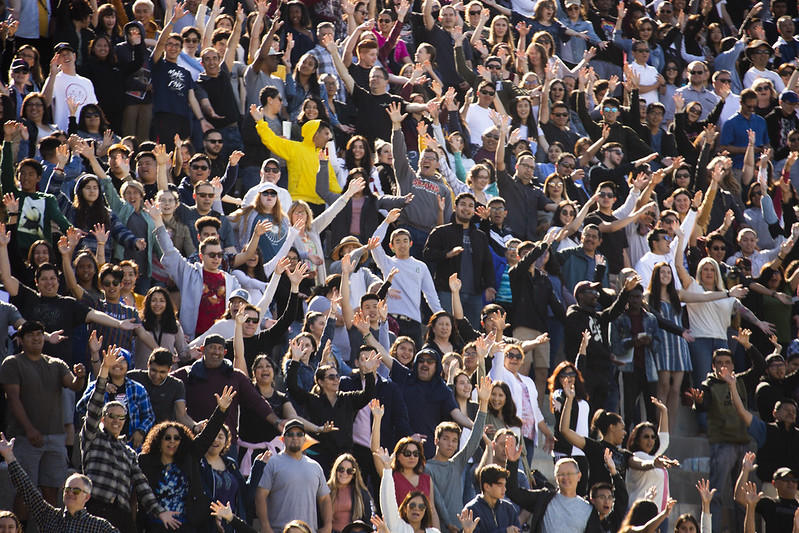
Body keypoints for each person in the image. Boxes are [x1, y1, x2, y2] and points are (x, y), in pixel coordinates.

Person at [81, 345, 180, 533]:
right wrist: (103, 371)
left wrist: (160, 512)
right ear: (103, 418)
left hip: (121, 512)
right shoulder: (92, 437)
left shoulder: (129, 453)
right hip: (94, 507)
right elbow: (92, 407)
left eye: (121, 417)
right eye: (111, 416)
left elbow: (142, 486)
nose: (116, 421)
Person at [0, 320, 86, 521]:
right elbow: (12, 398)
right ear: (20, 340)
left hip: (56, 439)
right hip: (25, 438)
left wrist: (80, 376)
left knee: (52, 491)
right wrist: (30, 429)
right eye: (30, 335)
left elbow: (74, 385)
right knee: (25, 490)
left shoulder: (56, 364)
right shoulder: (12, 363)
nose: (36, 338)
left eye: (39, 333)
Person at [688, 329, 767, 533]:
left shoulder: (741, 380)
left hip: (744, 445)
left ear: (733, 365)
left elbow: (761, 366)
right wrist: (698, 402)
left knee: (743, 498)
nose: (724, 366)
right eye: (720, 363)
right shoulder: (709, 385)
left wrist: (747, 345)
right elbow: (703, 404)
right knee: (716, 494)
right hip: (722, 446)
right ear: (713, 366)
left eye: (728, 362)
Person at [138, 385, 236, 531]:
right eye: (167, 438)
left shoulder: (189, 457)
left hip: (187, 526)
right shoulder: (145, 461)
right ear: (159, 441)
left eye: (177, 438)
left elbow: (207, 436)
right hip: (155, 525)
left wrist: (221, 410)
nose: (172, 441)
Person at [0, 434, 117, 533]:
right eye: (67, 489)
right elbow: (26, 489)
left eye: (76, 491)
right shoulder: (49, 517)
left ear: (87, 497)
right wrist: (9, 457)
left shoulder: (99, 526)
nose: (70, 493)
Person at [426, 375, 491, 531]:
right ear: (436, 441)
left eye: (454, 441)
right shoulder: (426, 467)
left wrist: (484, 403)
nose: (451, 444)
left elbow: (475, 438)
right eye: (446, 439)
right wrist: (449, 523)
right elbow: (438, 502)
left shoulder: (457, 463)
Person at [423, 192, 496, 326]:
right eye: (463, 204)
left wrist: (490, 285)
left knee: (471, 335)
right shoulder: (441, 231)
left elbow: (488, 263)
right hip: (447, 292)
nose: (466, 208)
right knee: (445, 330)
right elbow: (427, 254)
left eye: (470, 206)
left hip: (474, 294)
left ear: (474, 211)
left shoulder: (480, 236)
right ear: (455, 207)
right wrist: (447, 254)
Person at [503, 437, 602, 533]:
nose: (565, 478)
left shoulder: (588, 509)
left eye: (569, 474)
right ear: (555, 478)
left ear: (579, 476)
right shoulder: (544, 499)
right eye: (561, 474)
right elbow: (513, 492)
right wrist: (512, 463)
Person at [255, 419, 333, 533]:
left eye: (299, 434)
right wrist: (265, 526)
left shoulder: (315, 466)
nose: (295, 437)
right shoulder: (272, 463)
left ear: (305, 439)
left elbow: (325, 498)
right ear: (283, 439)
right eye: (290, 434)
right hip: (279, 530)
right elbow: (260, 495)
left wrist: (328, 526)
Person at [127, 347, 196, 426]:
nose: (157, 376)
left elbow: (181, 415)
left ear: (169, 370)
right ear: (148, 365)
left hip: (162, 433)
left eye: (162, 372)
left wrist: (195, 427)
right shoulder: (133, 377)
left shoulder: (177, 385)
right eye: (154, 370)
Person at [463, 465, 522, 533]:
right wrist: (505, 531)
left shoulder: (509, 508)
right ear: (487, 487)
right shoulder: (471, 510)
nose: (504, 489)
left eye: (504, 485)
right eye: (500, 485)